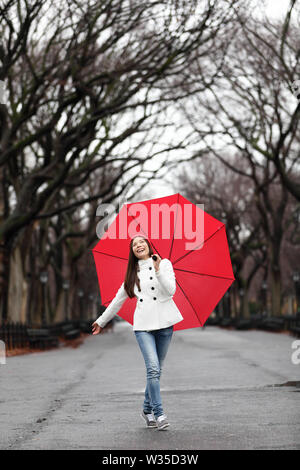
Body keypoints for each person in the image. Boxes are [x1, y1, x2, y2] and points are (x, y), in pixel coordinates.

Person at [92, 235, 183, 430]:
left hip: (166, 323)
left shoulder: (165, 264)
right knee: (153, 369)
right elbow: (117, 300)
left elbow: (171, 291)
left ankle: (146, 409)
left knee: (157, 370)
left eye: (142, 242)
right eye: (134, 244)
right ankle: (159, 414)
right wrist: (101, 321)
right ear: (132, 251)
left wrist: (158, 270)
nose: (138, 245)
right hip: (143, 326)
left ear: (149, 246)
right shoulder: (132, 274)